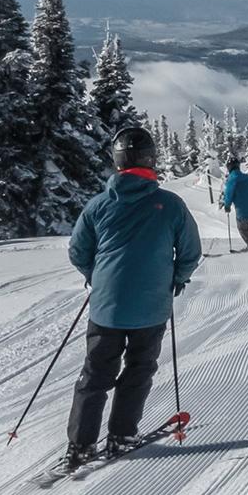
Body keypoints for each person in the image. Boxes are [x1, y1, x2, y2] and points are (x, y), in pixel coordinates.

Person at [63, 125, 201, 471]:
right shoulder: (170, 205)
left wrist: (98, 278)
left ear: (118, 162)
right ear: (151, 161)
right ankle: (121, 435)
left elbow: (79, 252)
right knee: (138, 369)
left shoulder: (98, 206)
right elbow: (190, 253)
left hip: (106, 307)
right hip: (151, 307)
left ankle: (80, 446)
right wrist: (175, 281)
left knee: (95, 374)